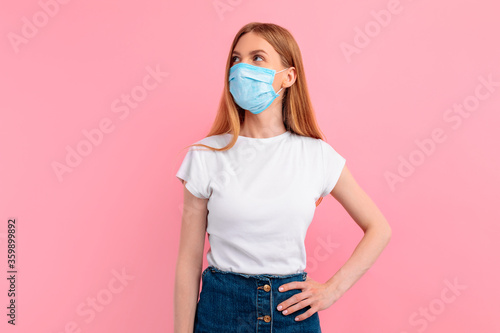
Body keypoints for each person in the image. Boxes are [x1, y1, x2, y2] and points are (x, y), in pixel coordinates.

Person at [173, 22, 392, 333]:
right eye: (236, 59)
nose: (241, 68)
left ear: (288, 76)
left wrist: (332, 290)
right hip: (221, 313)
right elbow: (188, 263)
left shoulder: (317, 156)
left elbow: (379, 228)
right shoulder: (205, 155)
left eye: (257, 58)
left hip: (292, 314)